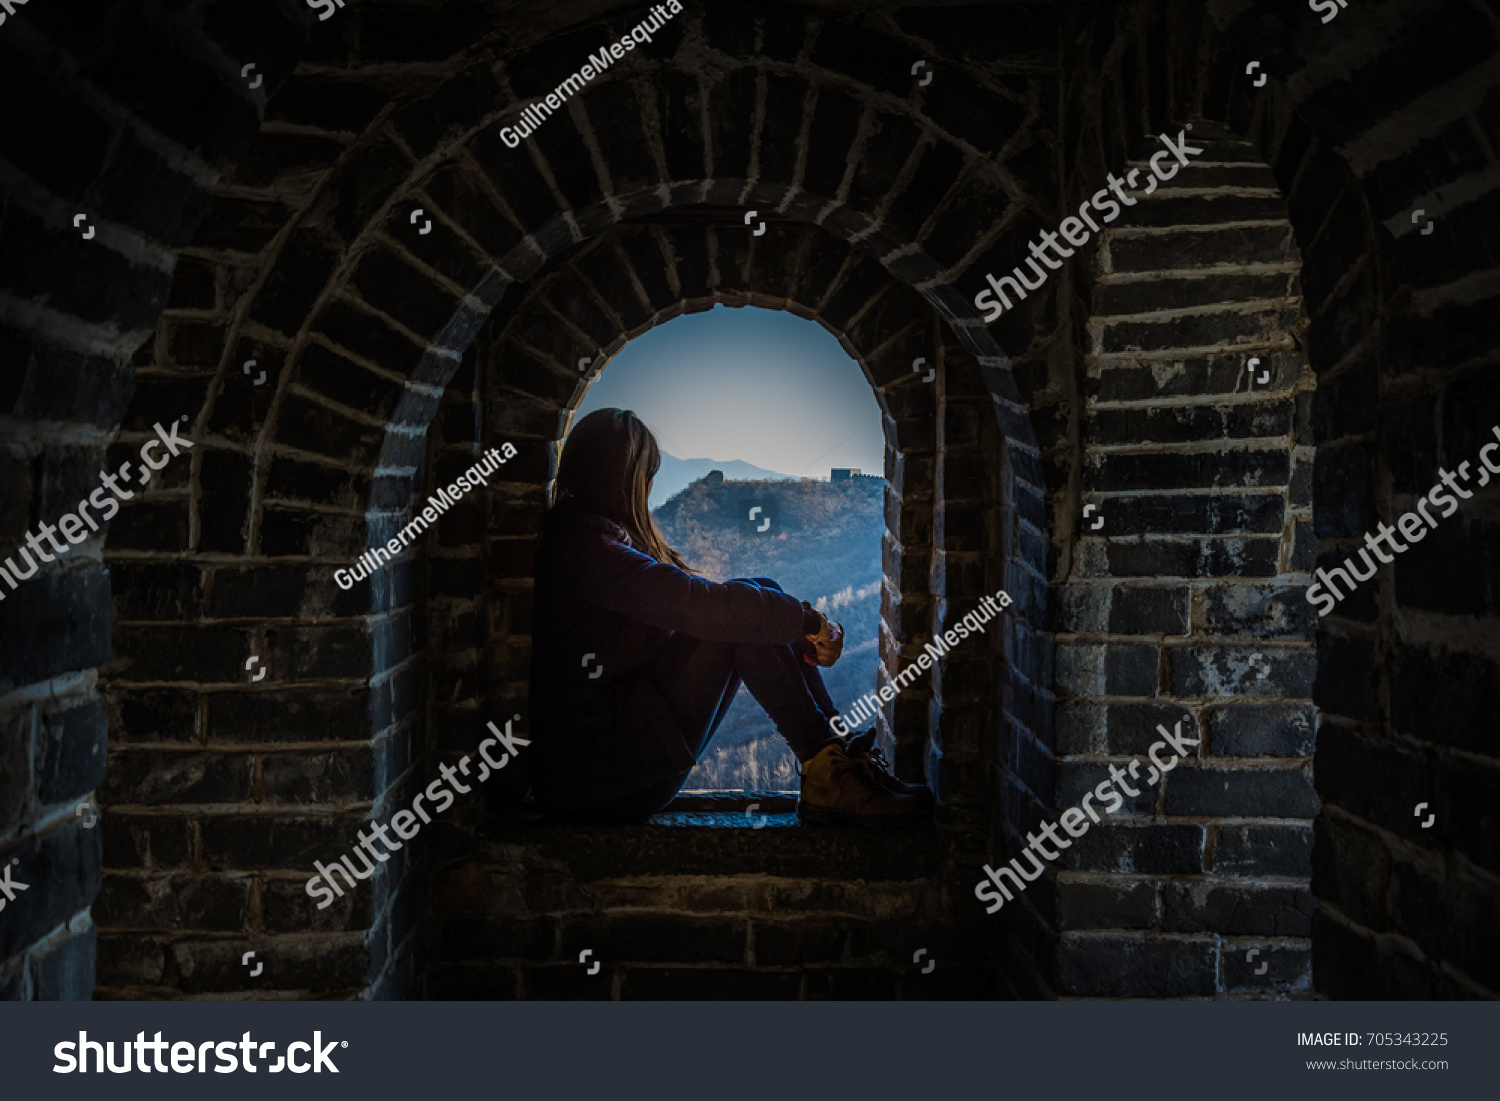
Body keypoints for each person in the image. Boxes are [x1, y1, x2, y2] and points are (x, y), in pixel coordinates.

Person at [528, 408, 930, 824]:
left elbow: (717, 604)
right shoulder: (585, 549)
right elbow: (702, 607)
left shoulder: (593, 539)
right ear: (627, 478)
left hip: (615, 761)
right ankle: (831, 777)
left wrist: (801, 633)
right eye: (647, 475)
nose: (649, 488)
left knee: (760, 592)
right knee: (735, 621)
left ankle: (840, 761)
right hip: (603, 783)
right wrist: (810, 623)